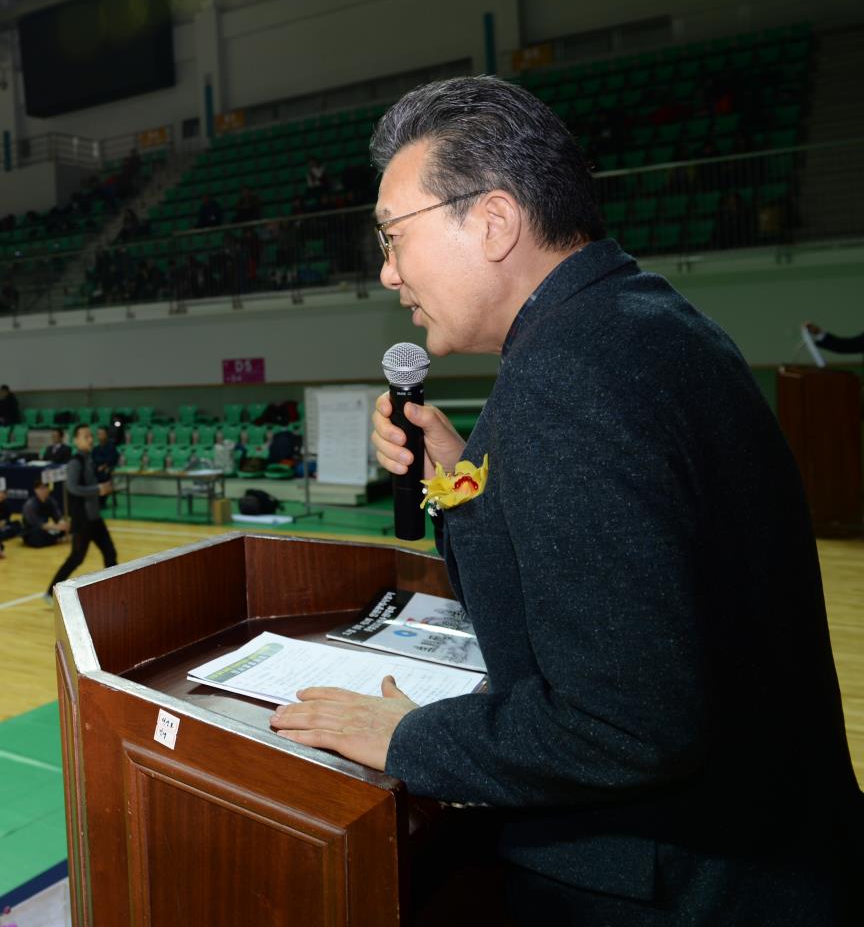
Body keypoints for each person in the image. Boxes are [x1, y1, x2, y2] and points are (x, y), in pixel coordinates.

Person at [267, 76, 862, 923]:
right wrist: (456, 474)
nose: (390, 274)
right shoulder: (645, 324)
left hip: (679, 881)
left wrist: (406, 738)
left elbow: (622, 723)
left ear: (496, 221)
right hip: (771, 847)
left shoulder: (565, 378)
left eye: (394, 238)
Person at [46, 424, 118, 596]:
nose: (90, 439)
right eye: (86, 437)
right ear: (76, 440)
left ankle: (115, 589)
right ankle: (51, 592)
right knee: (76, 558)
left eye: (91, 436)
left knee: (110, 553)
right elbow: (72, 487)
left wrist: (102, 485)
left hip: (95, 518)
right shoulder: (75, 462)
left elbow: (89, 484)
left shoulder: (89, 459)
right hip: (83, 520)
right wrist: (98, 489)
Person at [22, 481, 68, 548]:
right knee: (37, 536)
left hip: (47, 528)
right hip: (32, 530)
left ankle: (54, 537)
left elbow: (57, 516)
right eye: (41, 488)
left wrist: (62, 523)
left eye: (46, 488)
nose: (44, 490)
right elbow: (37, 524)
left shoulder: (51, 501)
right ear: (36, 490)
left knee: (68, 526)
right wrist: (56, 527)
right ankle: (55, 538)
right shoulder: (30, 504)